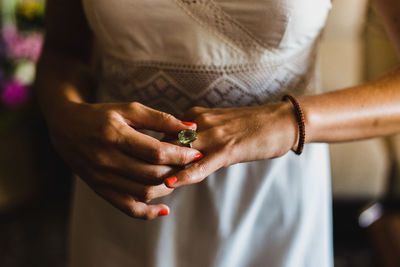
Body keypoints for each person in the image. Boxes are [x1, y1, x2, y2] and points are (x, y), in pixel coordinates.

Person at [35, 0, 400, 266]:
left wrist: (288, 122)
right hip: (122, 189)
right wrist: (63, 116)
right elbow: (64, 51)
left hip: (270, 200)